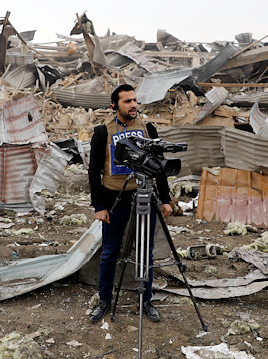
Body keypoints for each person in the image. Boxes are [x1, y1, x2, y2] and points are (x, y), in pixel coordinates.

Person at [87, 84, 173, 323]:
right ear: (115, 105)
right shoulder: (103, 131)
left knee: (146, 252)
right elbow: (94, 171)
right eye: (127, 101)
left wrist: (165, 199)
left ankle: (146, 301)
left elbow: (160, 166)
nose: (133, 105)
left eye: (135, 100)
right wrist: (99, 206)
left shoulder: (148, 128)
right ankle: (104, 301)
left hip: (145, 196)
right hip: (115, 199)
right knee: (110, 253)